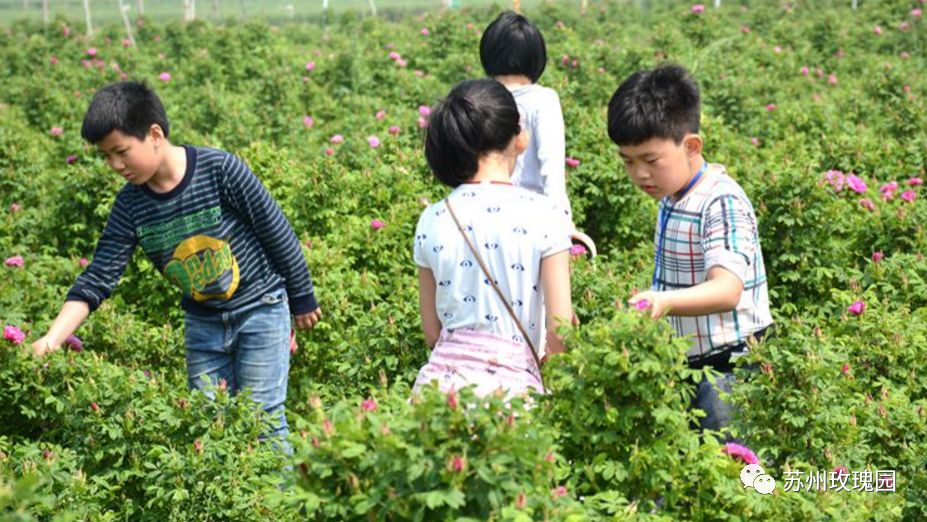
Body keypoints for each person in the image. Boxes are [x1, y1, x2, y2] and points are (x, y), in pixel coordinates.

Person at [31, 80, 322, 447]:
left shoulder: (220, 170)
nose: (115, 165)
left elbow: (276, 231)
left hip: (260, 310)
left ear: (154, 134)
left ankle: (280, 506)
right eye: (106, 156)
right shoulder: (130, 206)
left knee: (261, 423)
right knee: (208, 427)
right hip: (203, 326)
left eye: (121, 151)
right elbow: (98, 278)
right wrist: (52, 339)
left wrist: (302, 298)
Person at [607, 64, 773, 440]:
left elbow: (727, 290)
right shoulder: (673, 196)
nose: (639, 174)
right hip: (687, 363)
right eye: (628, 161)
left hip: (729, 367)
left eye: (650, 160)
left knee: (738, 474)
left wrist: (662, 302)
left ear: (691, 145)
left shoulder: (722, 200)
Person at [412, 79, 574, 398]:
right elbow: (560, 329)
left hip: (438, 394)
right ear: (519, 136)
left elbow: (432, 332)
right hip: (512, 394)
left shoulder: (433, 217)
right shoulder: (545, 215)